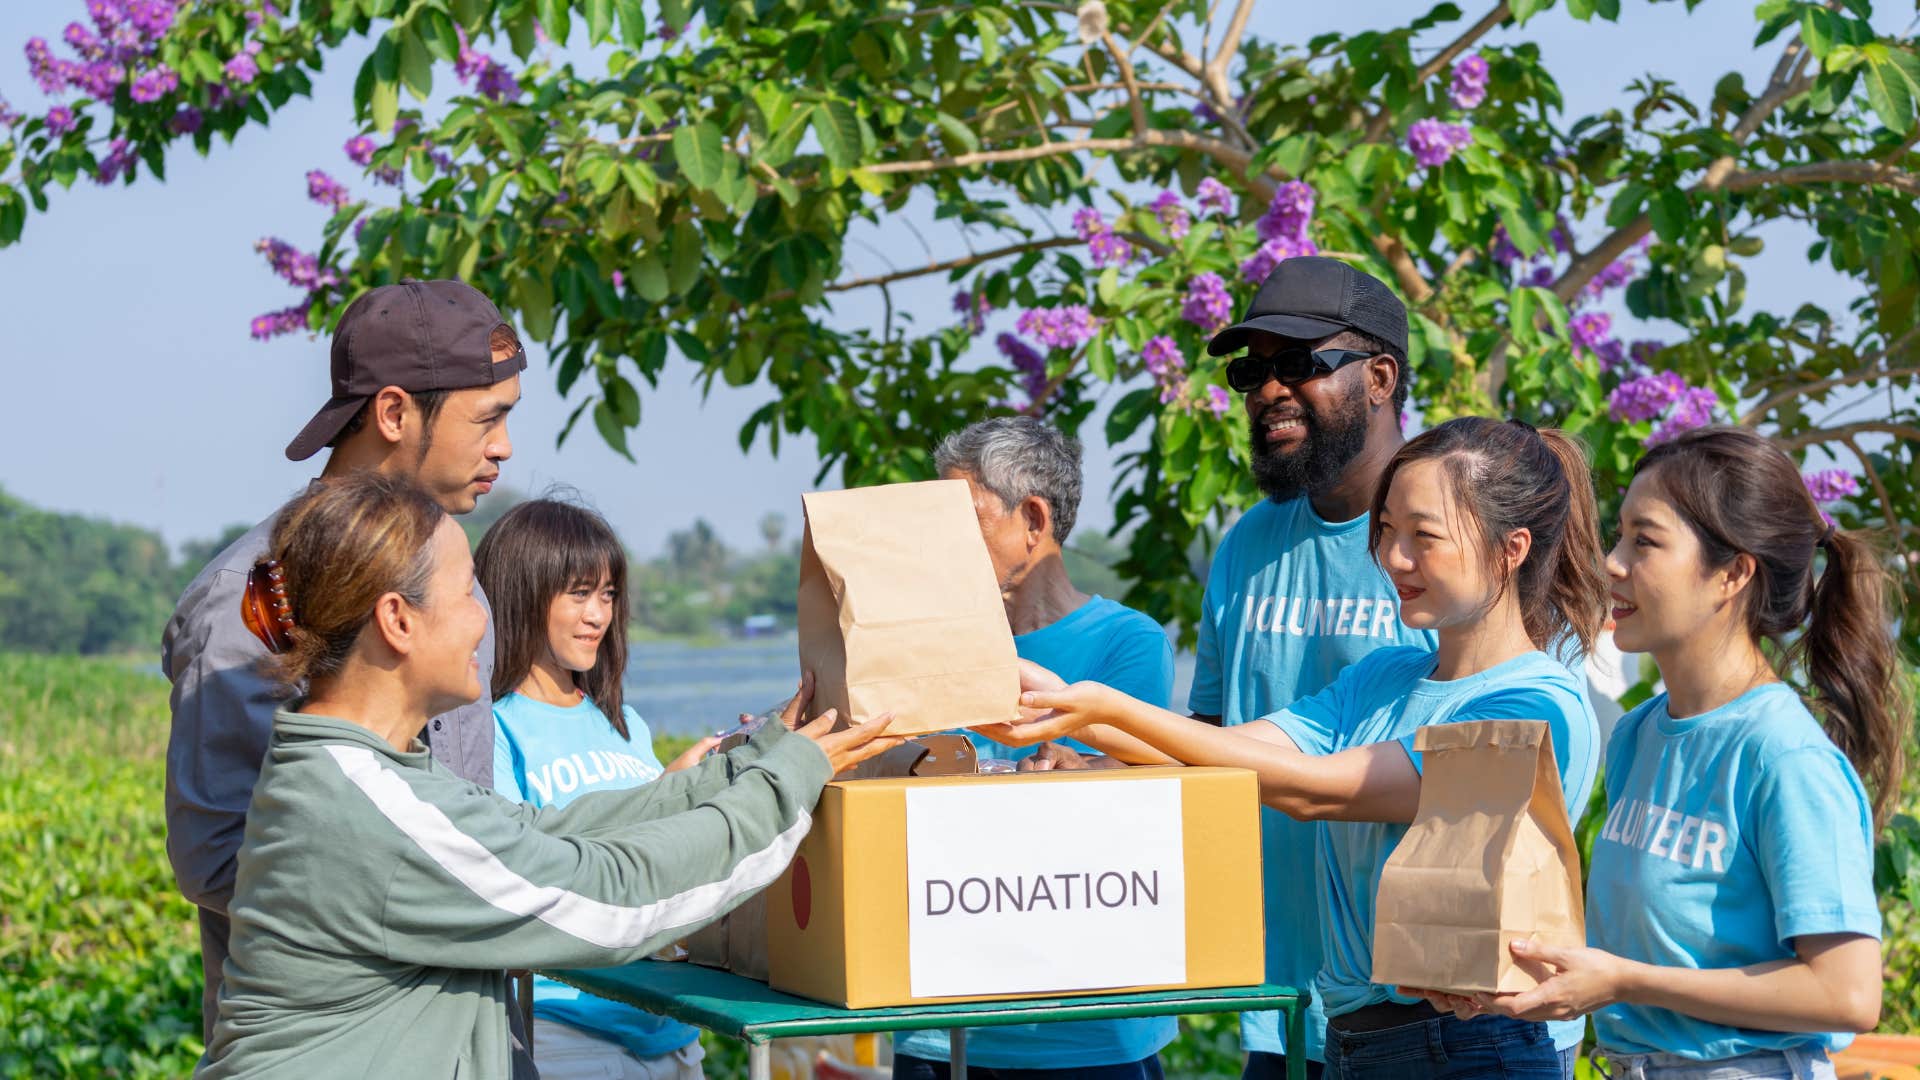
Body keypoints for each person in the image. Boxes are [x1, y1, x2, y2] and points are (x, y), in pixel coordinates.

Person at [196, 472, 902, 1079]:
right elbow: (607, 899)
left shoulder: (373, 774)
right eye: (469, 593)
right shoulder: (366, 805)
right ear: (397, 621)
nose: (487, 621)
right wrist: (786, 783)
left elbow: (546, 832)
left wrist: (754, 759)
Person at [988, 416, 1608, 1079]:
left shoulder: (1533, 706)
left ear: (1510, 549)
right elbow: (1214, 755)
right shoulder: (1381, 677)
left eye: (1423, 537)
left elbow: (1319, 790)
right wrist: (1062, 708)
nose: (1394, 558)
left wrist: (1103, 706)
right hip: (1350, 1039)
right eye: (1387, 530)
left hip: (1469, 1047)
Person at [1427, 426, 1902, 1080]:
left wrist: (1625, 982)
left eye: (1644, 541)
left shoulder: (1783, 757)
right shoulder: (1639, 733)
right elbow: (1642, 950)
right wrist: (1514, 975)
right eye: (1617, 535)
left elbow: (1847, 994)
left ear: (1733, 573)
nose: (1612, 562)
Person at [163, 279, 529, 1057]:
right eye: (488, 418)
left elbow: (475, 819)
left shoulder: (458, 592)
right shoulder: (252, 600)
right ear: (394, 413)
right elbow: (217, 854)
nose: (503, 446)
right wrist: (431, 893)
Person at [1190, 255, 1437, 1079]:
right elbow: (1208, 737)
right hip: (1276, 997)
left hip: (1421, 1007)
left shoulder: (1458, 546)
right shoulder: (1246, 545)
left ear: (1379, 377)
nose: (1268, 391)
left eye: (1299, 364)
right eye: (1251, 370)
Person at [890, 416, 1179, 1080]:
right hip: (934, 1023)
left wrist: (1082, 767)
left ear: (1033, 519)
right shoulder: (926, 651)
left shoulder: (1126, 642)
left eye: (958, 518)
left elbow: (1146, 786)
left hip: (1080, 1034)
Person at [478, 497, 717, 1080]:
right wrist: (666, 790)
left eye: (607, 594)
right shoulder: (491, 726)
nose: (598, 616)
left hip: (674, 1031)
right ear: (523, 593)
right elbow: (516, 867)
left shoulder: (625, 722)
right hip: (569, 1033)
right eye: (579, 594)